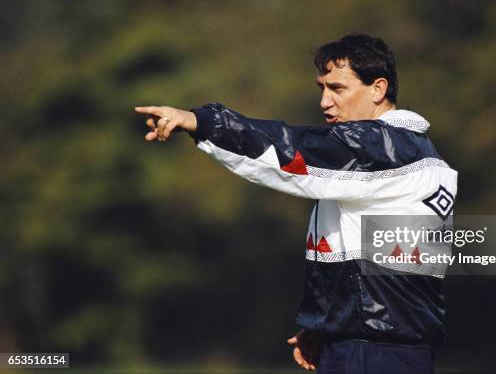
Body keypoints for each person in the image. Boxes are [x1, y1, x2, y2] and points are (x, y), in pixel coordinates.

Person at [135, 34, 457, 374]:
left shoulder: (381, 148)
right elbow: (370, 260)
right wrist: (327, 325)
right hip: (380, 346)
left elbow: (290, 151)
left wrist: (201, 121)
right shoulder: (418, 152)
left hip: (372, 354)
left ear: (378, 89)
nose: (325, 102)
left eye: (337, 88)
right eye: (322, 88)